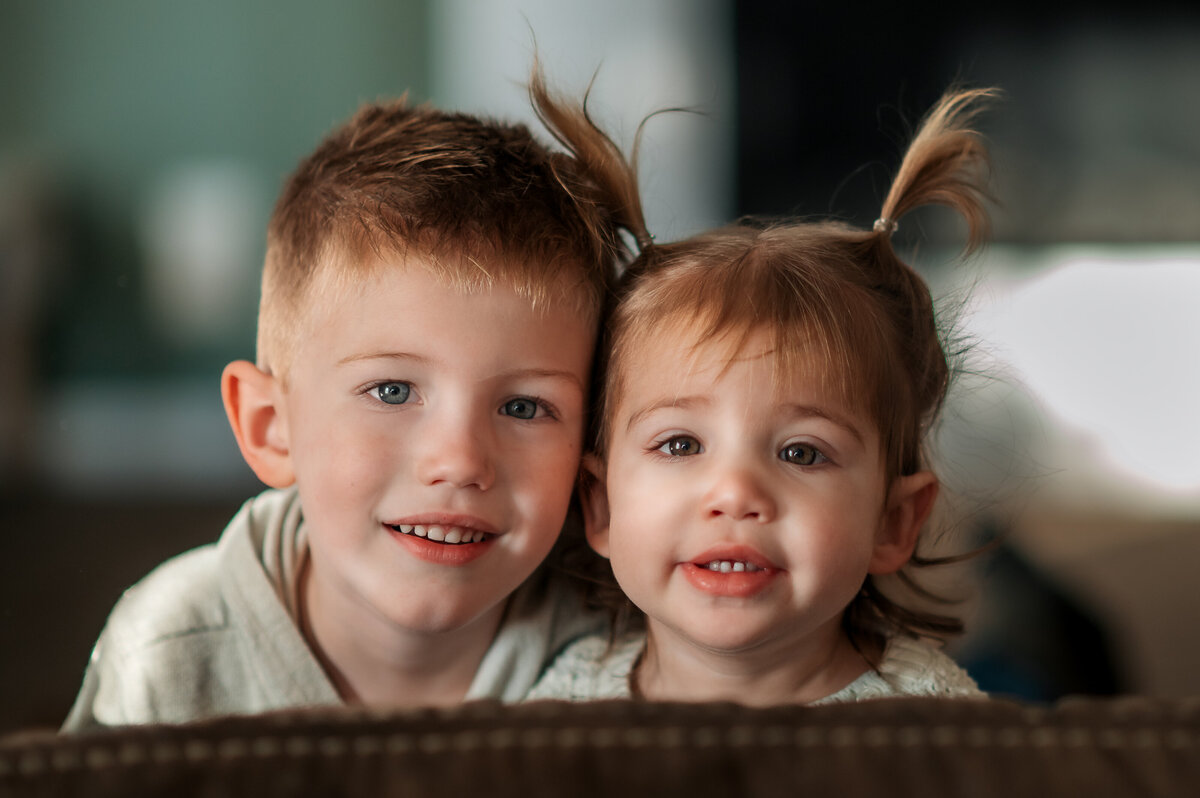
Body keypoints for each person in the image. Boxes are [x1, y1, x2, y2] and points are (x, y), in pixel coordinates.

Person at [63, 86, 625, 731]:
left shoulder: (620, 647)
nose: (460, 461)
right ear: (270, 427)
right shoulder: (169, 655)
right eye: (392, 391)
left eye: (525, 406)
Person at [526, 85, 994, 704]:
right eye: (681, 443)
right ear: (601, 506)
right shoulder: (562, 706)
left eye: (802, 453)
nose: (736, 494)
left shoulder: (933, 731)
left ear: (892, 520)